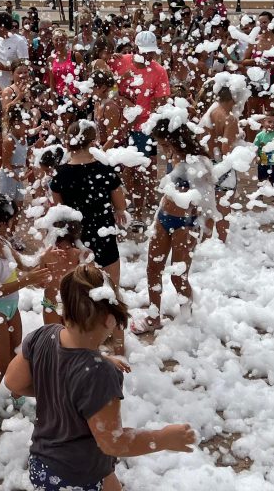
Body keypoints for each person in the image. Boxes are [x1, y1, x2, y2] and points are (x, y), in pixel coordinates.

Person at [4, 265, 197, 491]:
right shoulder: (100, 375)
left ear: (66, 311)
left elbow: (13, 382)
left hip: (43, 463)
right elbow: (113, 443)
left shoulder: (43, 336)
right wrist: (162, 438)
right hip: (77, 475)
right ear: (110, 320)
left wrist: (60, 389)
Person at [0, 193, 53, 432]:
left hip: (11, 308)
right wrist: (27, 280)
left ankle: (17, 394)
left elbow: (24, 265)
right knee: (1, 363)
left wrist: (43, 258)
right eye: (10, 220)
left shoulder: (3, 243)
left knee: (17, 355)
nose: (13, 223)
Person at [135, 118, 210, 334]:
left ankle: (187, 319)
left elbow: (208, 199)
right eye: (161, 145)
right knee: (153, 269)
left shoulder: (199, 163)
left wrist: (206, 226)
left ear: (178, 139)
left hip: (186, 224)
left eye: (166, 144)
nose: (164, 149)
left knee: (178, 275)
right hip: (164, 216)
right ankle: (153, 317)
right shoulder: (174, 156)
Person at [50, 122, 129, 288]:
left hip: (76, 237)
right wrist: (119, 211)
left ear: (68, 143)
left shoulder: (60, 175)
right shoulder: (105, 170)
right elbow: (120, 205)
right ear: (93, 142)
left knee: (79, 290)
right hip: (103, 233)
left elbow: (59, 213)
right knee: (111, 288)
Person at [109, 30, 171, 228]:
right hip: (118, 124)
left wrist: (147, 118)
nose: (148, 56)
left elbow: (161, 101)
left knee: (141, 169)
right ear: (135, 48)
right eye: (144, 52)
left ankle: (140, 209)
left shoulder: (159, 71)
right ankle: (123, 203)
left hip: (142, 126)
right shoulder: (120, 61)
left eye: (151, 52)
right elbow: (102, 84)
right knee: (119, 168)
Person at [201, 83, 241, 242]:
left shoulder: (210, 112)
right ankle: (222, 244)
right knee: (223, 211)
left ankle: (205, 243)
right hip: (222, 167)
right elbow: (226, 150)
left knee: (208, 210)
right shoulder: (229, 118)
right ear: (234, 98)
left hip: (205, 164)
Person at [0, 12, 29, 89]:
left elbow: (24, 65)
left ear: (2, 27)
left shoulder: (20, 41)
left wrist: (3, 67)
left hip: (14, 88)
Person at [254, 114, 274, 189]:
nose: (272, 124)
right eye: (269, 122)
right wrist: (256, 157)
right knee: (262, 179)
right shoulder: (260, 135)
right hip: (263, 160)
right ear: (263, 123)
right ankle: (261, 192)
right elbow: (255, 148)